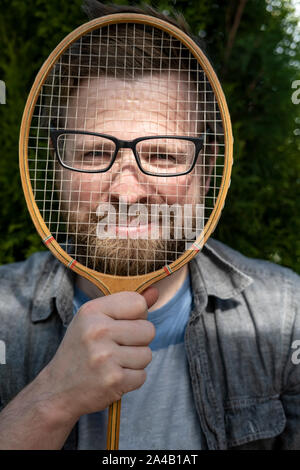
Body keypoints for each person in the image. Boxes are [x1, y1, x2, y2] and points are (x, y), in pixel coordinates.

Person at [0, 0, 299, 450]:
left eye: (162, 156)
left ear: (208, 169)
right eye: (94, 154)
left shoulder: (288, 318)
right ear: (56, 166)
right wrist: (49, 402)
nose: (127, 193)